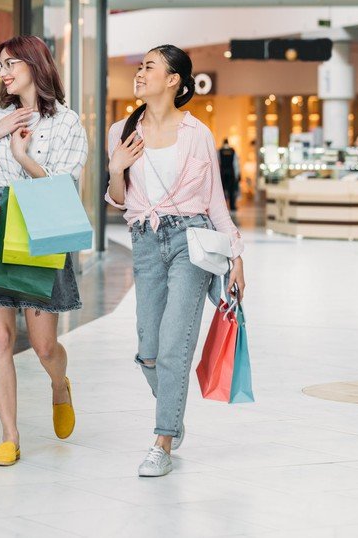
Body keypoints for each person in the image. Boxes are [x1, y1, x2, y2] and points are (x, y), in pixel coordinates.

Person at [106, 44, 245, 478]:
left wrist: (236, 253)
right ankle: (174, 411)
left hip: (192, 242)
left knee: (173, 345)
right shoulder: (122, 130)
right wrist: (116, 167)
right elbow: (116, 199)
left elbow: (214, 201)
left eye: (149, 66)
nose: (140, 73)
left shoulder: (197, 133)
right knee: (149, 350)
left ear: (174, 81)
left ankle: (162, 440)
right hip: (145, 242)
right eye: (141, 66)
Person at [0, 35, 88, 466]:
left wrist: (23, 156)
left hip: (40, 227)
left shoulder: (67, 122)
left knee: (44, 345)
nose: (5, 72)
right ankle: (9, 435)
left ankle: (59, 385)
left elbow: (66, 188)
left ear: (36, 63)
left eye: (12, 62)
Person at [217, 138, 240, 212]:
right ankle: (232, 206)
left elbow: (217, 162)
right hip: (231, 172)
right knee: (231, 190)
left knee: (222, 190)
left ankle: (222, 206)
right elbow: (235, 163)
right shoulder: (232, 151)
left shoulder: (220, 151)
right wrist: (237, 174)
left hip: (223, 173)